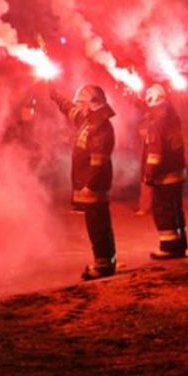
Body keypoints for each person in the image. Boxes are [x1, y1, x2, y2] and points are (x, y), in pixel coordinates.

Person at [51, 84, 118, 279]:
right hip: (90, 186)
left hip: (94, 187)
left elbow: (98, 162)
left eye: (82, 103)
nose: (78, 107)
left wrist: (90, 186)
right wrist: (55, 95)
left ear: (91, 104)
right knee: (96, 225)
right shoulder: (89, 121)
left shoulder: (100, 127)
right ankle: (105, 261)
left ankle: (103, 265)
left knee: (98, 227)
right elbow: (70, 110)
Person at [139, 84, 188, 259]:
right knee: (176, 211)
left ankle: (168, 247)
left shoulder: (157, 124)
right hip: (177, 172)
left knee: (163, 211)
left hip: (164, 176)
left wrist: (149, 174)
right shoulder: (173, 118)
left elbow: (155, 154)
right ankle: (180, 245)